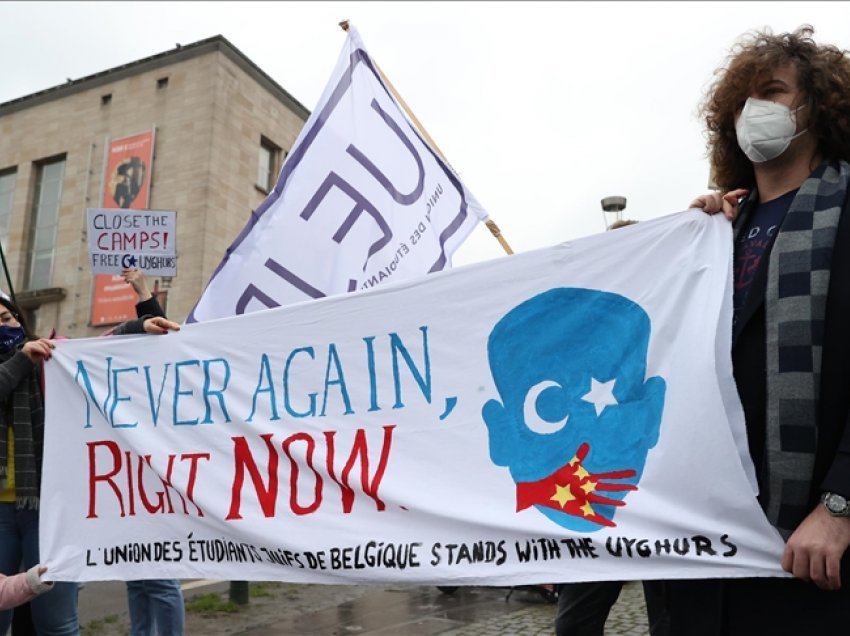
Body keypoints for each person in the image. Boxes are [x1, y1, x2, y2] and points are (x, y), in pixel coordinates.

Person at [667, 25, 850, 635]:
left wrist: (841, 505)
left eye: (772, 92)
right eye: (744, 101)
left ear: (817, 108)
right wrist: (682, 248)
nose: (755, 111)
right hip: (703, 559)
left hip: (812, 553)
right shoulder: (715, 232)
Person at [0, 291, 179, 634]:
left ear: (19, 319)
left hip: (48, 511)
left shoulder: (48, 357)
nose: (4, 326)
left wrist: (140, 326)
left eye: (7, 318)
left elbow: (98, 347)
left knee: (57, 622)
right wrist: (21, 360)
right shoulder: (26, 359)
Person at [552, 219, 668, 636]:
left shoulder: (675, 318)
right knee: (575, 625)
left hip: (667, 496)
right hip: (597, 497)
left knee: (674, 620)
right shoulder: (582, 336)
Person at [117, 267, 186, 636]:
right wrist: (142, 290)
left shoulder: (166, 374)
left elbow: (154, 329)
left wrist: (144, 292)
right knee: (136, 576)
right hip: (125, 485)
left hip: (157, 483)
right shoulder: (126, 376)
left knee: (159, 578)